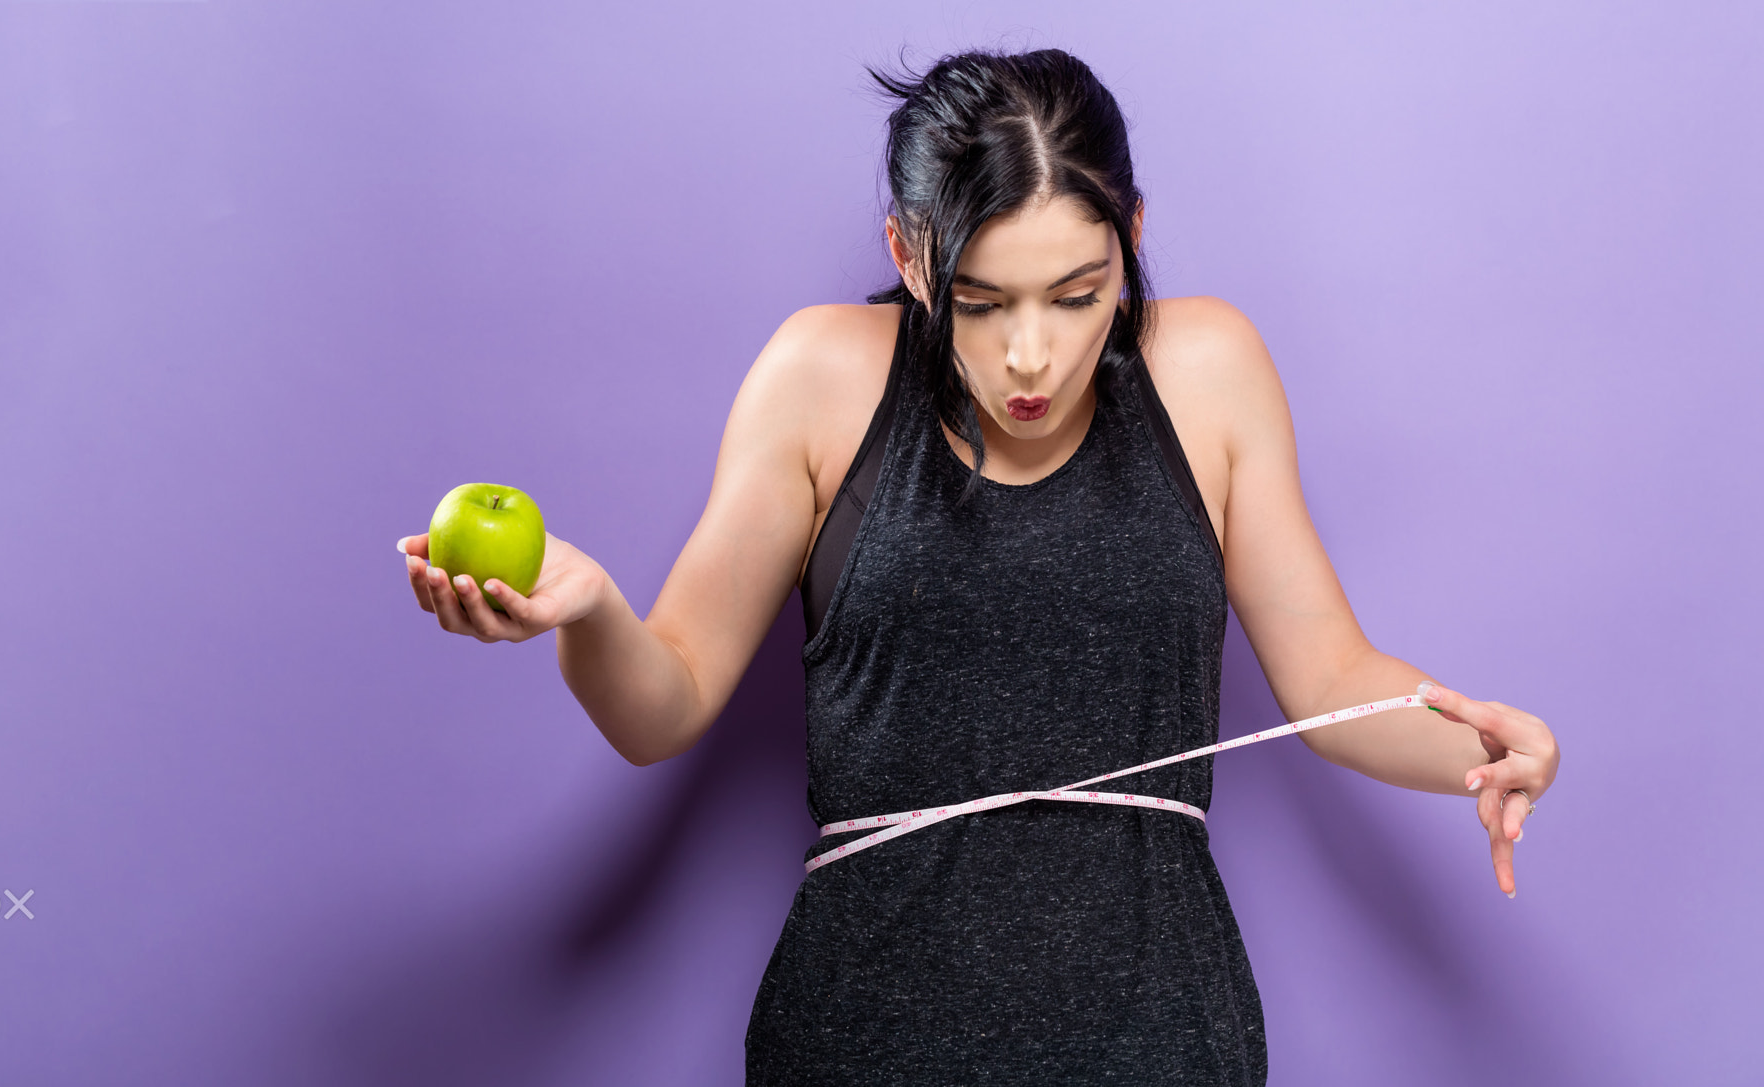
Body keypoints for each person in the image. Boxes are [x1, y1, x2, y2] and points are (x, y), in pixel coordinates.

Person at [398, 48, 1559, 1086]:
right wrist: (591, 610)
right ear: (908, 254)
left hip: (1159, 1035)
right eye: (978, 300)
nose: (1028, 355)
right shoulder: (817, 376)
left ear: (1130, 240)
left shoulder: (1207, 368)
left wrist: (1482, 745)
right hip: (861, 1033)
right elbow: (666, 702)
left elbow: (1330, 679)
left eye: (1075, 295)